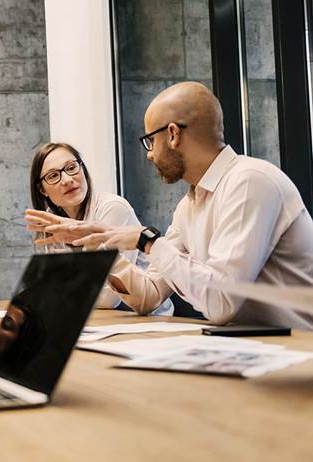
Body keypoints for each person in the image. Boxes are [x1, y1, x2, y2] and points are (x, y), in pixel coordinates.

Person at [31, 82, 313, 329]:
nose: (150, 154)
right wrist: (94, 242)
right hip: (253, 349)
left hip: (298, 354)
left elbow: (221, 302)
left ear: (173, 134)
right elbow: (148, 296)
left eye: (150, 141)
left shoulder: (250, 181)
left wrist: (148, 241)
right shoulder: (188, 206)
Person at [26, 142, 172, 315]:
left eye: (72, 167)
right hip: (94, 321)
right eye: (53, 176)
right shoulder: (49, 221)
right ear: (42, 189)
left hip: (145, 320)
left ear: (83, 168)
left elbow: (110, 298)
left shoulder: (113, 208)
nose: (67, 180)